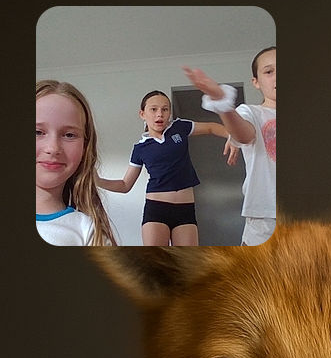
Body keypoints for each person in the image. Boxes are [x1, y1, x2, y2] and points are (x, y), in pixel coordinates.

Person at [98, 89, 229, 246]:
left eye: (165, 109)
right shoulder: (140, 148)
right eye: (153, 109)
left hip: (186, 209)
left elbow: (211, 127)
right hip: (156, 210)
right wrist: (97, 180)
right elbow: (125, 185)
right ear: (142, 114)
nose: (159, 114)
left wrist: (234, 137)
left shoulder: (180, 127)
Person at [184, 46, 276, 246]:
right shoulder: (252, 112)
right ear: (256, 82)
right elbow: (243, 133)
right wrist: (222, 102)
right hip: (266, 220)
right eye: (269, 71)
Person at [35, 80, 117, 246]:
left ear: (85, 148)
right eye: (37, 132)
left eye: (69, 135)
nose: (53, 148)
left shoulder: (89, 232)